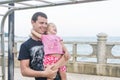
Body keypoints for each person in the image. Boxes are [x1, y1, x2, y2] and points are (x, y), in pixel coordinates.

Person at [18, 12, 69, 80]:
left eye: (46, 23)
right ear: (33, 22)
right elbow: (24, 71)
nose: (44, 26)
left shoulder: (52, 40)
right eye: (41, 23)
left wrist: (53, 68)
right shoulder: (26, 45)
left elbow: (66, 57)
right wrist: (44, 74)